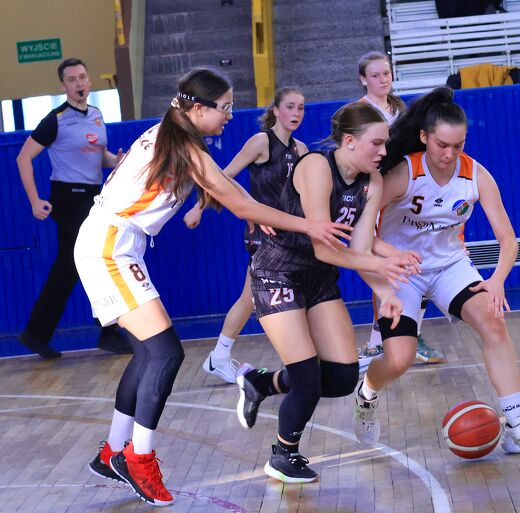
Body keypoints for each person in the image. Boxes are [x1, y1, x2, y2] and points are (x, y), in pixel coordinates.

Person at [76, 68, 353, 506]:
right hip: (109, 248)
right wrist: (307, 224)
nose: (230, 114)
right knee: (166, 354)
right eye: (224, 107)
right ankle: (138, 459)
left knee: (149, 353)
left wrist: (252, 208)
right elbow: (235, 199)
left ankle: (113, 450)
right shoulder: (183, 145)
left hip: (113, 242)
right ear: (198, 108)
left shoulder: (173, 133)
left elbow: (224, 189)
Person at [353, 87, 520, 458]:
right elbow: (361, 231)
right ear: (424, 137)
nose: (449, 154)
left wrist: (496, 281)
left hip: (449, 265)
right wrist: (391, 256)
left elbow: (508, 240)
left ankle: (518, 428)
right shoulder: (403, 173)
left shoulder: (476, 175)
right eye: (442, 145)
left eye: (458, 145)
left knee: (494, 323)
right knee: (399, 359)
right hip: (401, 271)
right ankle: (366, 394)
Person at [235, 101, 420, 483]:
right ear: (349, 141)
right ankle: (283, 455)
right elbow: (324, 247)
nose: (383, 151)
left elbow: (361, 246)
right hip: (277, 272)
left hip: (318, 278)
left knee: (340, 378)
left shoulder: (372, 181)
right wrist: (381, 266)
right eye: (377, 143)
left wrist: (386, 292)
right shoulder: (317, 166)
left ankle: (261, 383)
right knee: (307, 378)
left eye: (385, 144)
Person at [183, 86, 308, 384]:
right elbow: (222, 177)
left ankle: (222, 356)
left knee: (254, 296)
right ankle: (295, 362)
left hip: (287, 233)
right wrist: (198, 208)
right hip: (262, 233)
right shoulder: (261, 142)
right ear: (276, 110)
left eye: (301, 108)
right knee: (262, 297)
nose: (296, 113)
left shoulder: (301, 149)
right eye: (290, 107)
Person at [15, 57, 132, 359]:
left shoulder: (96, 115)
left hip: (92, 197)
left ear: (89, 80)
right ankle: (109, 331)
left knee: (68, 267)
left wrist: (116, 161)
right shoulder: (55, 119)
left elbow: (99, 156)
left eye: (82, 77)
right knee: (98, 259)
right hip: (68, 199)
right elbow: (23, 158)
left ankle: (35, 333)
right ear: (64, 86)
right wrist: (34, 200)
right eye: (72, 79)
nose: (79, 83)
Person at [357, 51, 446, 370]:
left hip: (406, 196)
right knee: (382, 265)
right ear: (363, 79)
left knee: (418, 260)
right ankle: (376, 343)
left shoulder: (401, 110)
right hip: (375, 194)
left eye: (387, 73)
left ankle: (413, 333)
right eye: (376, 74)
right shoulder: (360, 113)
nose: (383, 79)